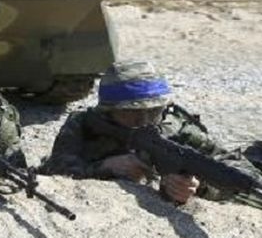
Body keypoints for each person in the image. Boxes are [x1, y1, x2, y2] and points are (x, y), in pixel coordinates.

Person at [40, 60, 262, 205]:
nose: (145, 121)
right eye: (131, 113)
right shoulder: (83, 123)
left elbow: (236, 170)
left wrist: (199, 187)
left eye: (154, 111)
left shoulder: (177, 130)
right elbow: (53, 170)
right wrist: (103, 167)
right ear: (108, 111)